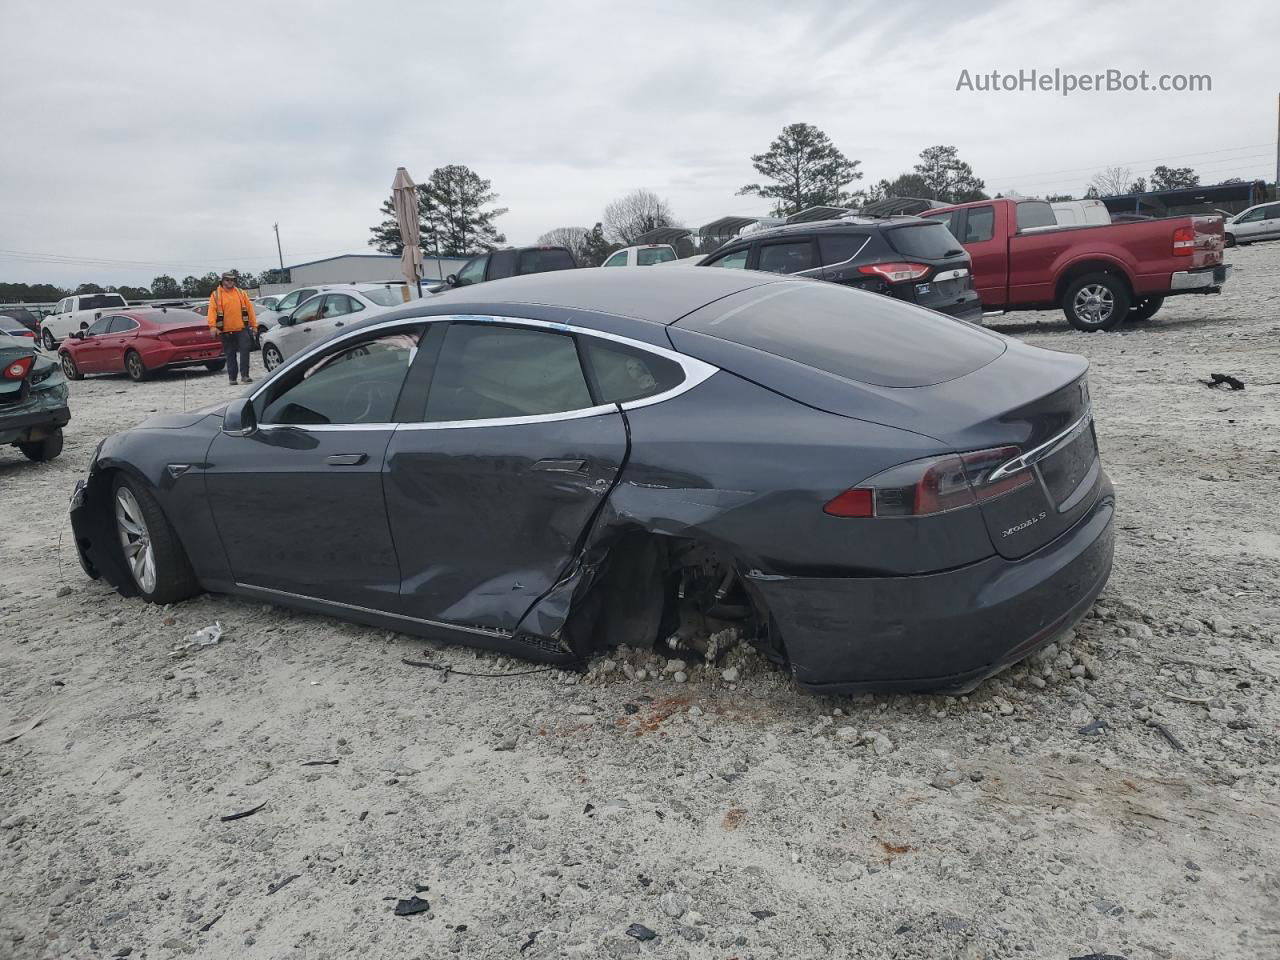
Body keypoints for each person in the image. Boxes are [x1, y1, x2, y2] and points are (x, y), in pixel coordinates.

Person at [207, 272, 258, 385]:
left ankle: (245, 376)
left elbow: (250, 310)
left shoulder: (241, 293)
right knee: (230, 354)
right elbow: (212, 311)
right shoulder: (216, 295)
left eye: (232, 280)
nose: (230, 282)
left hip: (241, 329)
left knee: (245, 352)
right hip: (225, 330)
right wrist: (212, 327)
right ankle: (232, 378)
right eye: (227, 280)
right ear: (222, 281)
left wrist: (254, 325)